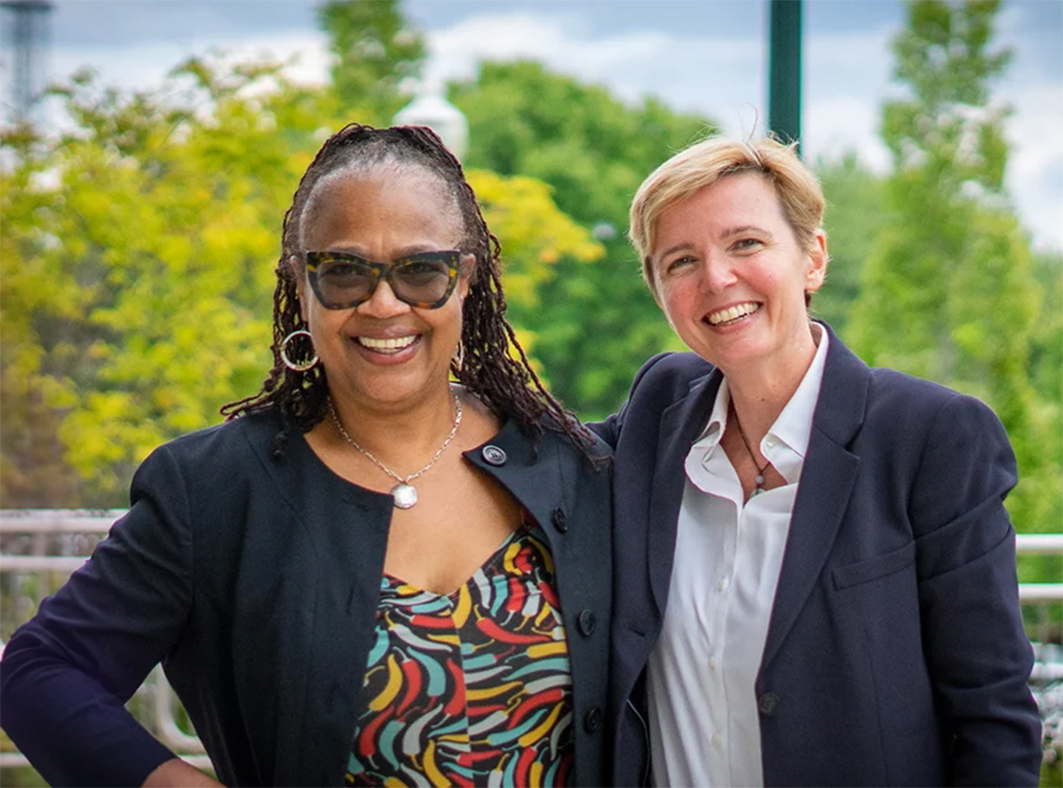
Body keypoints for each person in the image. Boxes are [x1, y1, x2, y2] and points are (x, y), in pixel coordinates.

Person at [0, 123, 612, 787]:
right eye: (344, 271)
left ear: (464, 278)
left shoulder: (564, 466)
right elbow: (39, 672)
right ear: (300, 281)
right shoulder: (216, 491)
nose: (384, 304)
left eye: (419, 271)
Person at [598, 135, 1042, 786]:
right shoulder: (654, 412)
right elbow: (526, 446)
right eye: (680, 261)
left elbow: (991, 717)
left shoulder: (929, 436)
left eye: (744, 243)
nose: (716, 278)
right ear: (660, 292)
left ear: (812, 258)